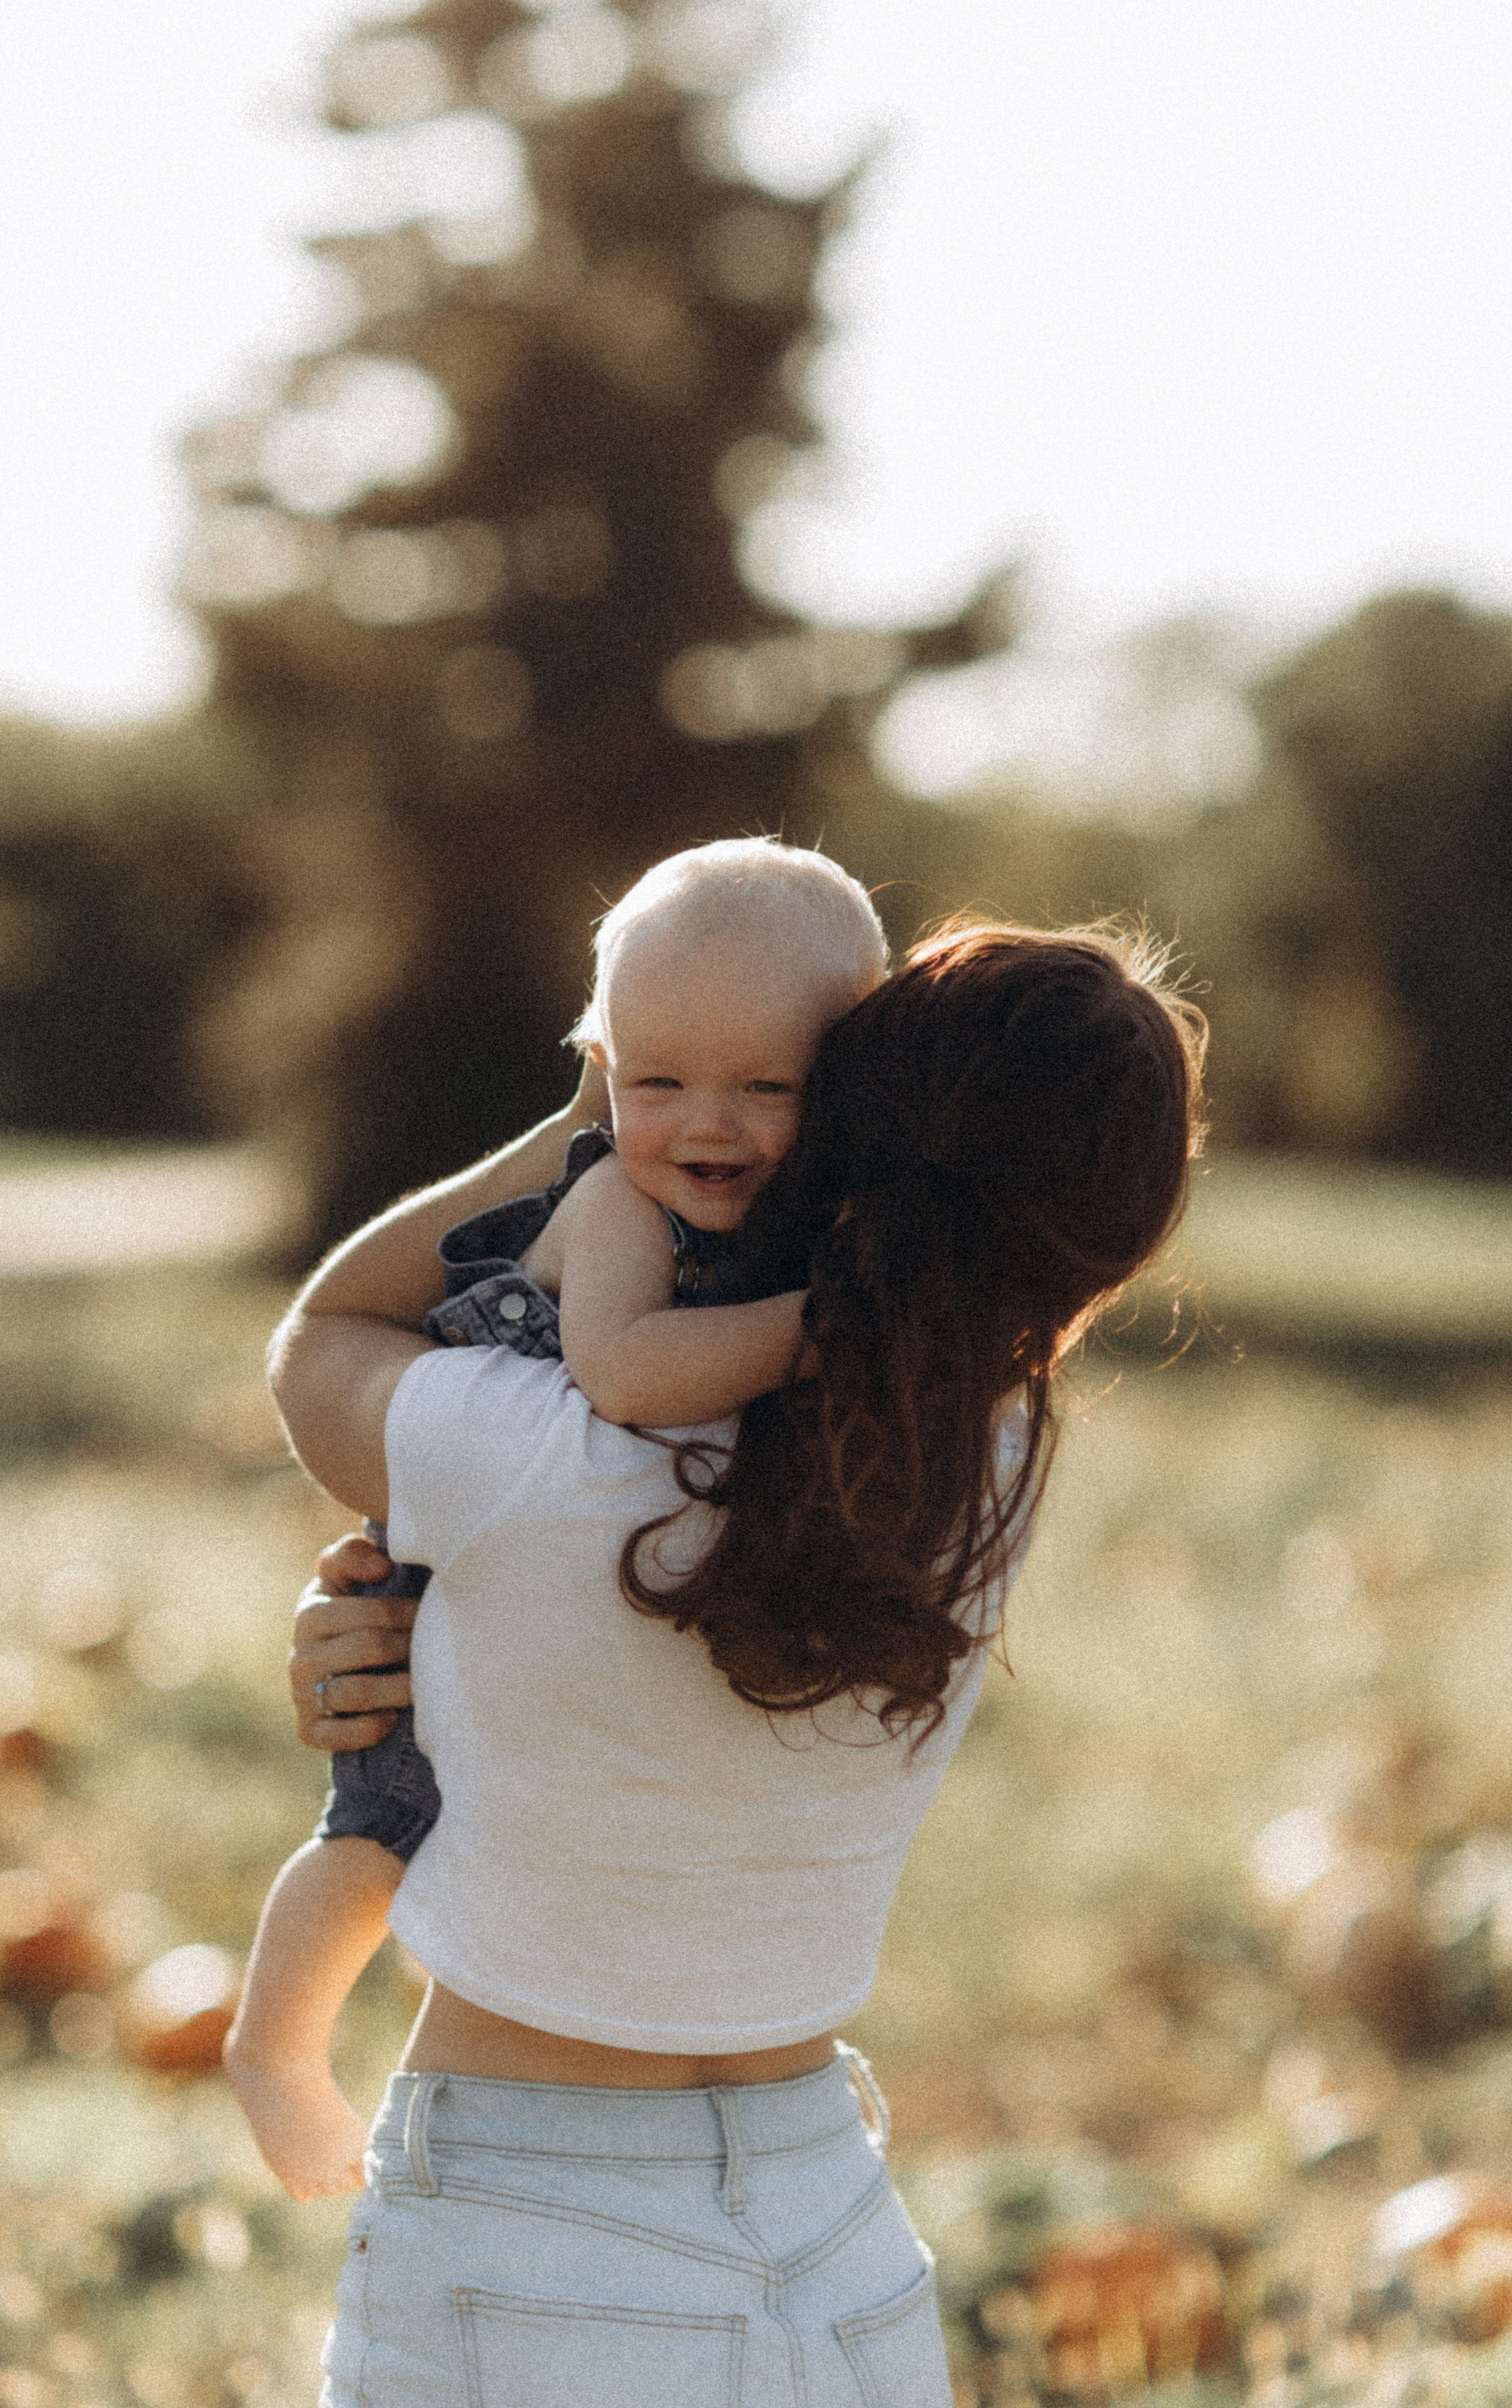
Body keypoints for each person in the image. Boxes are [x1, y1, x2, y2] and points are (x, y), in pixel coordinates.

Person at [267, 915, 1204, 2407]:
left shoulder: (545, 1451)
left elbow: (327, 1333)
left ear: (836, 1123)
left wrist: (598, 1116)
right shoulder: (994, 1466)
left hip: (527, 2218)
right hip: (832, 2234)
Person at [225, 842, 890, 2196]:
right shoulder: (615, 1202)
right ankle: (275, 2052)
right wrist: (833, 1326)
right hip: (448, 1568)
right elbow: (629, 1374)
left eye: (768, 1088)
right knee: (379, 1823)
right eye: (655, 1082)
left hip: (584, 1681)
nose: (709, 1125)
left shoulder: (804, 1212)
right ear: (597, 1066)